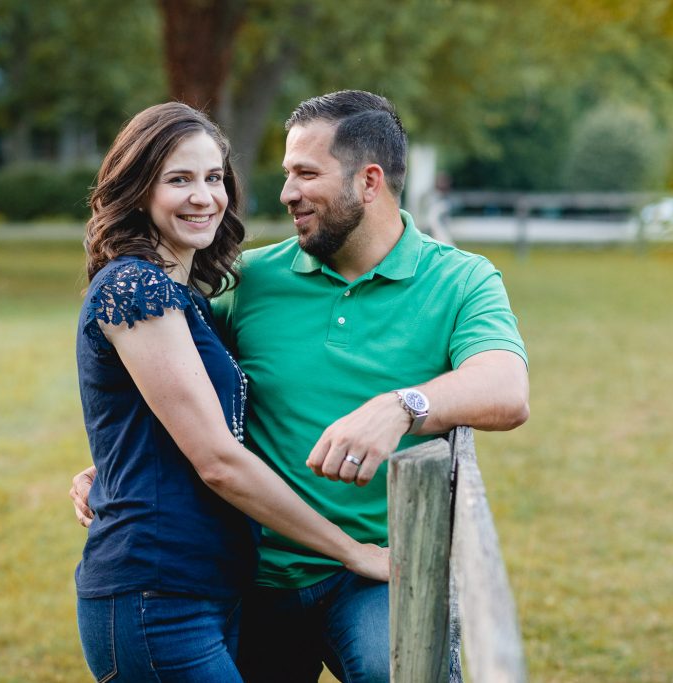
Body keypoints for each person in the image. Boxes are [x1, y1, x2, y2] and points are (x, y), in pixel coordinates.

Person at [72, 90, 529, 682]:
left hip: (371, 574)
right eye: (287, 173)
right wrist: (114, 461)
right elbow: (168, 383)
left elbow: (506, 388)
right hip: (252, 576)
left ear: (368, 182)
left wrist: (402, 405)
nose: (286, 192)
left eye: (306, 174)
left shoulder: (461, 279)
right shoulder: (251, 279)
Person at [72, 101, 388, 683]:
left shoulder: (186, 297)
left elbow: (145, 421)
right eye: (179, 180)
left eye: (214, 178)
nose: (204, 196)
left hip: (208, 589)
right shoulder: (134, 287)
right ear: (139, 191)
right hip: (155, 596)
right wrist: (354, 551)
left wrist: (112, 464)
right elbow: (218, 460)